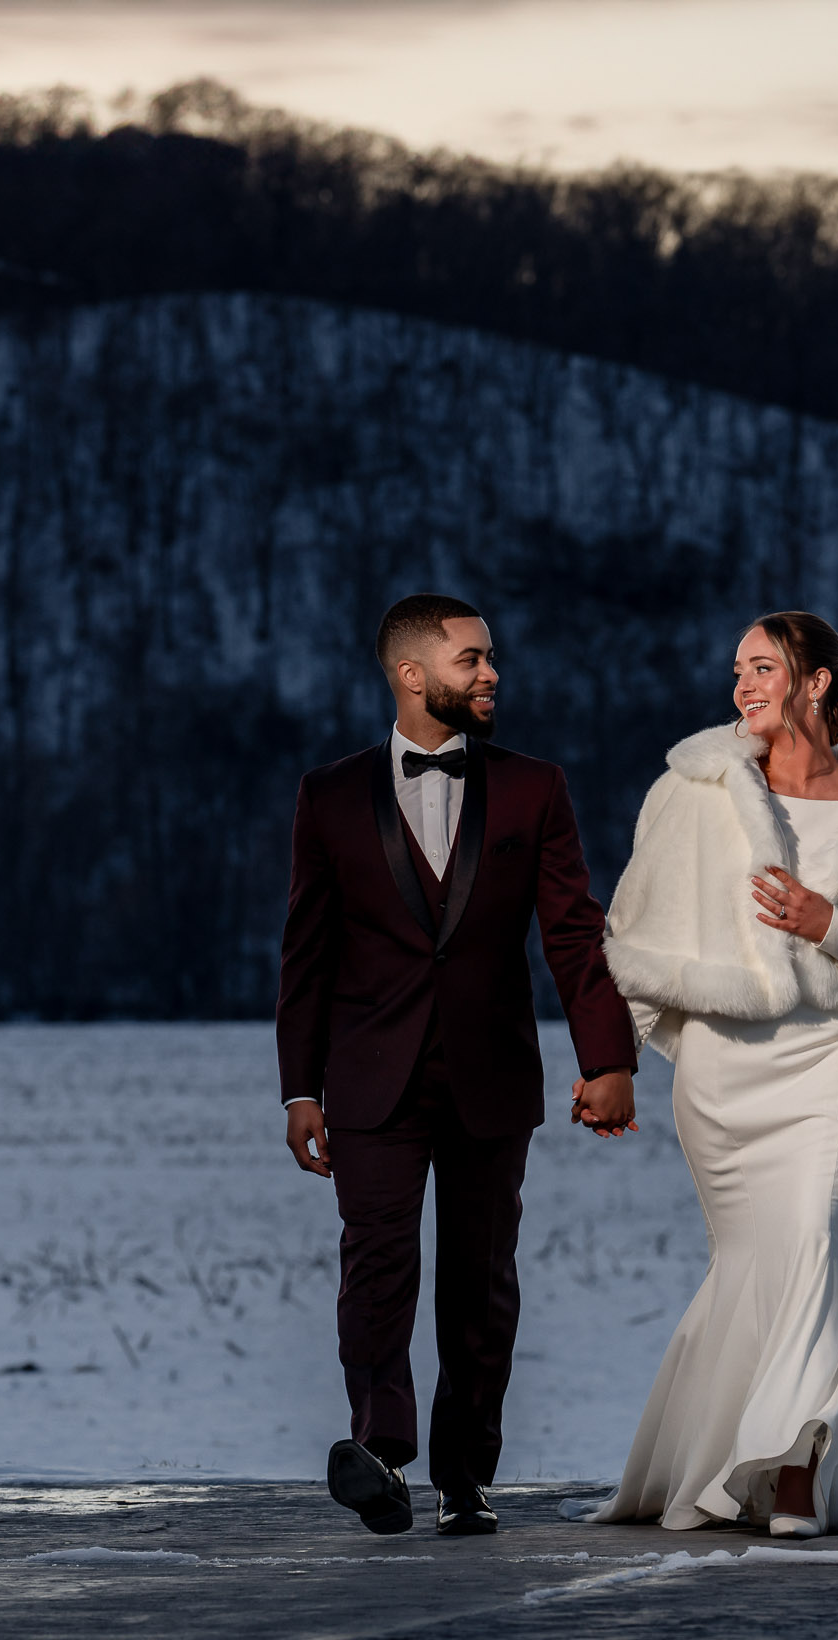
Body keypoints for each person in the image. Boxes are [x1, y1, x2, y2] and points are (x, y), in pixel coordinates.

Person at [582, 611, 838, 1537]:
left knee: (811, 1240)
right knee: (752, 1261)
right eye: (735, 669)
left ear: (815, 680)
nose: (741, 683)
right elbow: (637, 925)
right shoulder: (698, 788)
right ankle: (745, 1456)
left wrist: (836, 924)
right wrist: (612, 1058)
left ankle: (798, 1470)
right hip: (721, 1067)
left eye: (760, 665)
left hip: (832, 1055)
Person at [278, 593, 640, 1538]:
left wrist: (607, 1058)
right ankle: (380, 1452)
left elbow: (572, 929)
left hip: (491, 1077)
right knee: (377, 1264)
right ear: (411, 674)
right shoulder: (328, 794)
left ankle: (466, 1477)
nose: (490, 674)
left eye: (491, 660)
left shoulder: (534, 787)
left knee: (481, 1283)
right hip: (368, 1080)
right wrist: (299, 1085)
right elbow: (307, 952)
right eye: (471, 660)